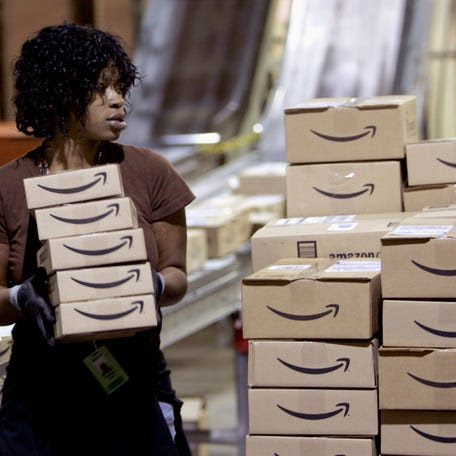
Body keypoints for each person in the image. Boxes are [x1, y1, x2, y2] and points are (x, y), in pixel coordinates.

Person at [0, 22, 195, 455]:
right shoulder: (9, 186)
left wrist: (154, 285)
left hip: (132, 377)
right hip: (40, 390)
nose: (118, 99)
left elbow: (178, 274)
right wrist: (19, 297)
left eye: (120, 86)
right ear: (60, 95)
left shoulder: (149, 172)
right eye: (101, 88)